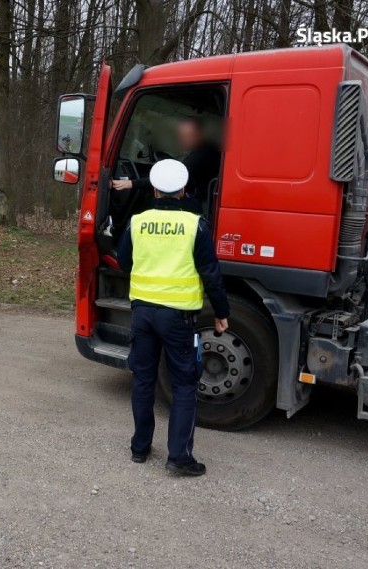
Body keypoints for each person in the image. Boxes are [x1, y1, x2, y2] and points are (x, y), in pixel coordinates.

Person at [116, 159, 230, 477]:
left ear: (153, 190)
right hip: (178, 318)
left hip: (141, 313)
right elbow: (211, 274)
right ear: (182, 191)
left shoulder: (137, 223)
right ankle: (178, 457)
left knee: (143, 379)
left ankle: (140, 448)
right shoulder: (196, 225)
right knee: (183, 385)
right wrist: (222, 313)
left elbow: (123, 261)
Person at [112, 117, 221, 215]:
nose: (182, 140)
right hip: (203, 198)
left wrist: (131, 183)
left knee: (159, 201)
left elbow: (174, 176)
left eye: (187, 136)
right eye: (181, 136)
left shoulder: (203, 153)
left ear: (199, 134)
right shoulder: (206, 149)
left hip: (203, 203)